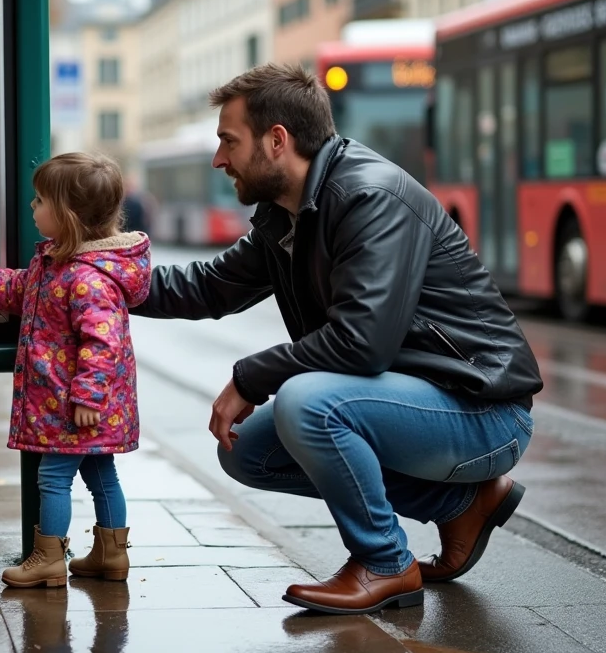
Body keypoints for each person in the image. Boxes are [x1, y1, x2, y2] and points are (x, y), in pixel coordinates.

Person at [131, 63, 543, 615]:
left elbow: (361, 342)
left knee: (307, 403)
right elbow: (209, 287)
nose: (219, 159)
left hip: (482, 409)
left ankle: (383, 562)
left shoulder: (368, 196)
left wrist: (250, 376)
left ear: (277, 141)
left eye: (229, 140)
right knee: (249, 453)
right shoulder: (286, 214)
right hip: (415, 401)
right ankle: (461, 503)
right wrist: (102, 284)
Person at [0, 152, 151, 588]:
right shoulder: (58, 266)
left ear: (68, 215)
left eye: (40, 200)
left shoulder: (88, 279)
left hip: (77, 404)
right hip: (85, 405)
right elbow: (14, 287)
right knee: (101, 473)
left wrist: (86, 398)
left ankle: (47, 557)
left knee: (54, 475)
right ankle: (111, 554)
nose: (32, 207)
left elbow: (104, 343)